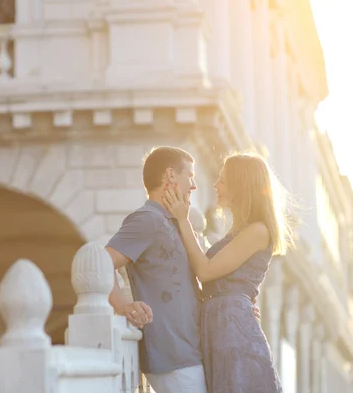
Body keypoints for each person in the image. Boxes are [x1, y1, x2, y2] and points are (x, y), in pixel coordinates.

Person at [105, 146, 260, 393]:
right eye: (190, 175)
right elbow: (100, 262)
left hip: (192, 353)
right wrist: (122, 306)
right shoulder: (147, 220)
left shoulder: (176, 223)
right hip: (172, 357)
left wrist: (233, 304)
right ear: (170, 176)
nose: (194, 185)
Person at [163, 152, 288, 393]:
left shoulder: (258, 231)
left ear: (240, 186)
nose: (215, 185)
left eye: (223, 180)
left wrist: (183, 220)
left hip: (233, 334)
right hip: (221, 328)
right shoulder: (237, 232)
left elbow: (205, 271)